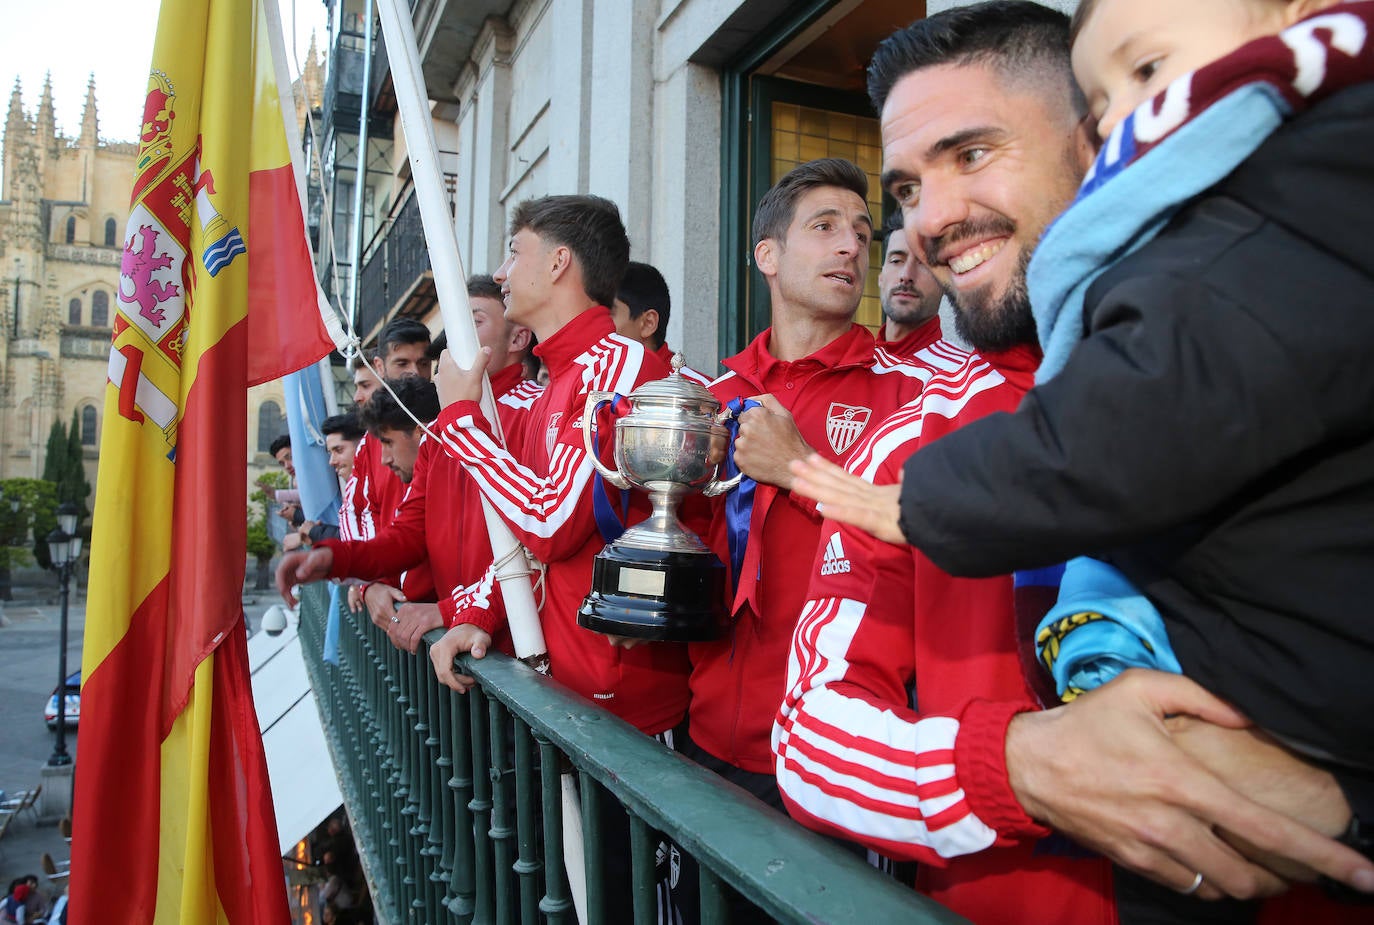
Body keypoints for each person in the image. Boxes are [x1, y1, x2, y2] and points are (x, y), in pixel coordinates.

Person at [780, 0, 1374, 917]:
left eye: (972, 155)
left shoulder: (1311, 311)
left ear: (1104, 139)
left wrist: (1340, 794)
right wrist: (1016, 766)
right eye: (904, 189)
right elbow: (808, 736)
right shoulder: (908, 441)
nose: (933, 219)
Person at [431, 195, 688, 920]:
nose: (504, 271)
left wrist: (460, 417)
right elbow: (531, 539)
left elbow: (550, 522)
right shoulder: (559, 380)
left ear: (559, 261)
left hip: (628, 713)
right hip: (574, 701)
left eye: (515, 251)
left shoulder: (618, 362)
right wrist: (479, 610)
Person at [278, 275, 539, 655]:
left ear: (517, 339)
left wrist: (454, 610)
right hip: (459, 649)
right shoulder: (440, 432)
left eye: (475, 320)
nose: (456, 336)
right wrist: (336, 557)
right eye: (454, 323)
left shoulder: (537, 412)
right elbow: (408, 534)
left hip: (518, 652)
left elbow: (537, 545)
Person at [610, 260, 713, 383]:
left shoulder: (706, 396)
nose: (595, 324)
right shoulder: (589, 377)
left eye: (608, 314)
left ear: (648, 323)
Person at [874, 213, 945, 358]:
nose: (906, 275)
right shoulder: (852, 366)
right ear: (881, 277)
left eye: (923, 264)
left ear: (945, 282)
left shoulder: (962, 376)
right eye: (896, 261)